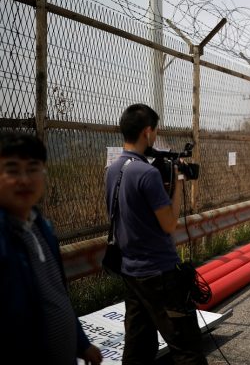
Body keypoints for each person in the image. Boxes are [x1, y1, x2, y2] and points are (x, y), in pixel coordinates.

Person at [105, 104, 207, 365]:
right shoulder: (148, 173)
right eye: (155, 132)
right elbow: (170, 223)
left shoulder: (114, 168)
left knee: (138, 346)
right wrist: (175, 180)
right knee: (187, 348)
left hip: (130, 270)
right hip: (159, 272)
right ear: (147, 132)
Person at [0, 131, 103, 365]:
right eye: (12, 170)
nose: (24, 179)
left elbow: (57, 293)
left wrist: (81, 343)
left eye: (33, 168)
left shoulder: (41, 226)